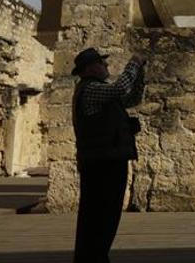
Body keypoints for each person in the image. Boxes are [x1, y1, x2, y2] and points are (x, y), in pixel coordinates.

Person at [71, 48, 146, 263]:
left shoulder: (99, 90)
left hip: (108, 160)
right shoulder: (91, 90)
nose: (106, 67)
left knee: (107, 215)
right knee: (99, 216)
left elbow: (131, 98)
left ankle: (96, 255)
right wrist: (134, 61)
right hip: (101, 164)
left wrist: (140, 73)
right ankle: (92, 257)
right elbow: (122, 87)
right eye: (102, 64)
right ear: (90, 68)